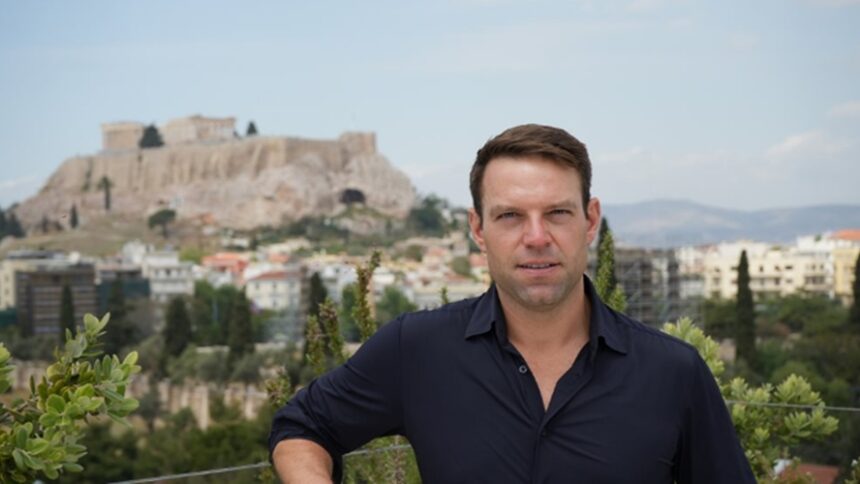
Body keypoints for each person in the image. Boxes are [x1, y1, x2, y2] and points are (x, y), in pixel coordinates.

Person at [269, 124, 755, 483]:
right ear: (478, 229)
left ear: (590, 221)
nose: (536, 237)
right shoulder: (416, 348)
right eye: (510, 216)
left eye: (557, 213)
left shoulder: (673, 372)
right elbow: (303, 425)